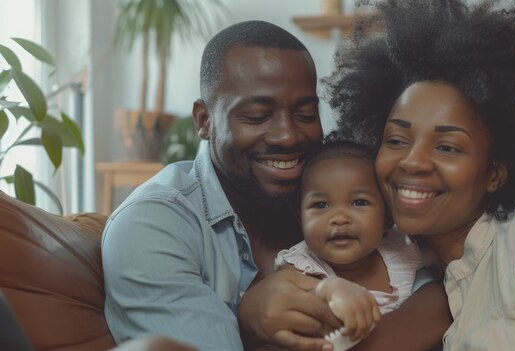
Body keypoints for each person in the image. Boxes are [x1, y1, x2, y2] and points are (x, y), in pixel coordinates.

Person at [102, 20, 450, 351]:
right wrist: (247, 319)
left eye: (304, 115)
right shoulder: (152, 226)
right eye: (256, 116)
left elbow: (435, 295)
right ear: (204, 120)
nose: (287, 136)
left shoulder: (323, 192)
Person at [325, 0, 515, 350]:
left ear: (495, 172)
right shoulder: (415, 274)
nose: (412, 161)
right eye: (396, 139)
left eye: (447, 147)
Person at [274, 139, 422, 343]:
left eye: (359, 202)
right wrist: (326, 290)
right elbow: (284, 293)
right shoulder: (302, 265)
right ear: (301, 219)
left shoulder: (401, 250)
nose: (339, 218)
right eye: (320, 205)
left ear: (387, 217)